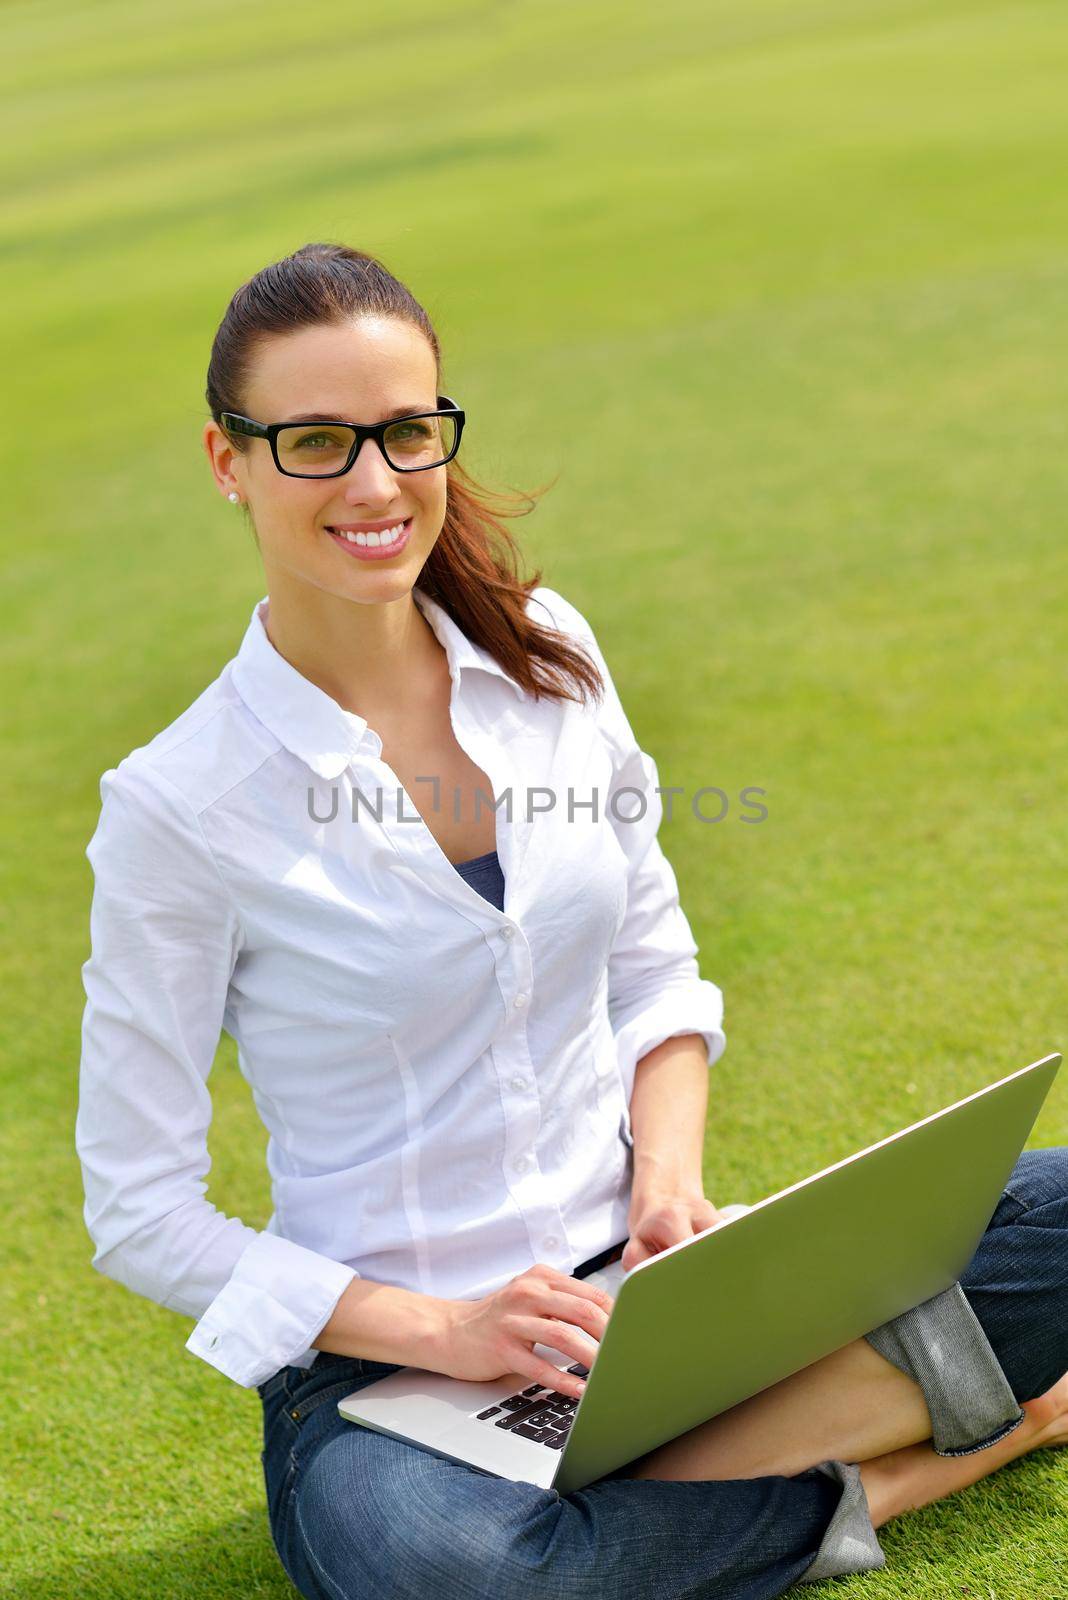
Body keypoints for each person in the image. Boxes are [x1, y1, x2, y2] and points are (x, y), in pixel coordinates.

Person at [76, 241, 1068, 1599]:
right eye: (315, 441)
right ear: (228, 460)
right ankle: (904, 1462)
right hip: (393, 1382)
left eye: (405, 433)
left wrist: (666, 1185)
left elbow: (655, 969)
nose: (373, 484)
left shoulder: (551, 652)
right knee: (441, 1566)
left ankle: (683, 1452)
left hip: (655, 1306)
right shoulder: (179, 806)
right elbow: (141, 1212)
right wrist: (451, 1330)